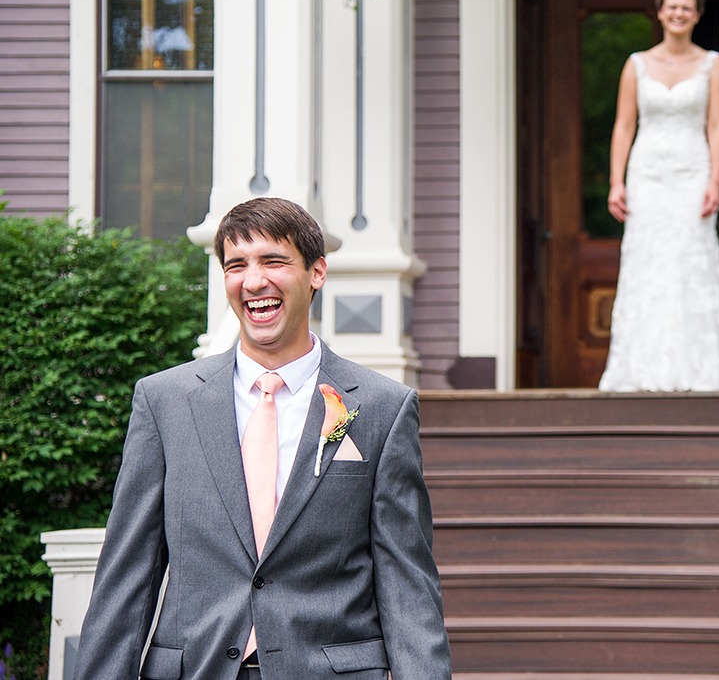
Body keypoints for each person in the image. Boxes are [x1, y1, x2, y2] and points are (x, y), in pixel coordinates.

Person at [72, 197, 451, 680]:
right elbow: (128, 573)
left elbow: (406, 582)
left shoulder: (382, 407)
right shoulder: (164, 401)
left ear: (316, 272)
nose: (254, 281)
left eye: (273, 261)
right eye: (236, 266)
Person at [599, 0, 719, 393]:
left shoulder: (713, 64)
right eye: (671, 7)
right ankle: (641, 365)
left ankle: (698, 364)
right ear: (660, 12)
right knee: (648, 260)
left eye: (687, 8)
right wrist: (616, 181)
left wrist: (715, 181)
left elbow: (717, 126)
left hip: (691, 170)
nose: (678, 14)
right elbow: (624, 126)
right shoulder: (636, 64)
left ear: (696, 15)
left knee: (690, 258)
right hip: (646, 173)